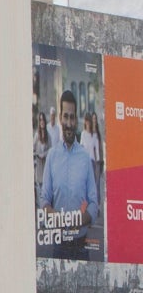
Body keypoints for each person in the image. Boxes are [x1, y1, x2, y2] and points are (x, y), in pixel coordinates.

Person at [39, 90, 98, 261]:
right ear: (60, 118)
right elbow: (44, 200)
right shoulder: (52, 156)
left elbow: (94, 203)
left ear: (76, 120)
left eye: (72, 117)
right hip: (59, 246)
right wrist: (59, 219)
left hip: (82, 245)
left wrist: (79, 220)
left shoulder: (85, 157)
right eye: (66, 117)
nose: (69, 123)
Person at [33, 111, 50, 205]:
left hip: (46, 168)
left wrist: (45, 153)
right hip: (39, 169)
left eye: (43, 120)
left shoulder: (48, 136)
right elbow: (33, 150)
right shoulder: (36, 135)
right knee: (40, 194)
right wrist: (39, 154)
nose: (42, 122)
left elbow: (51, 150)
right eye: (40, 120)